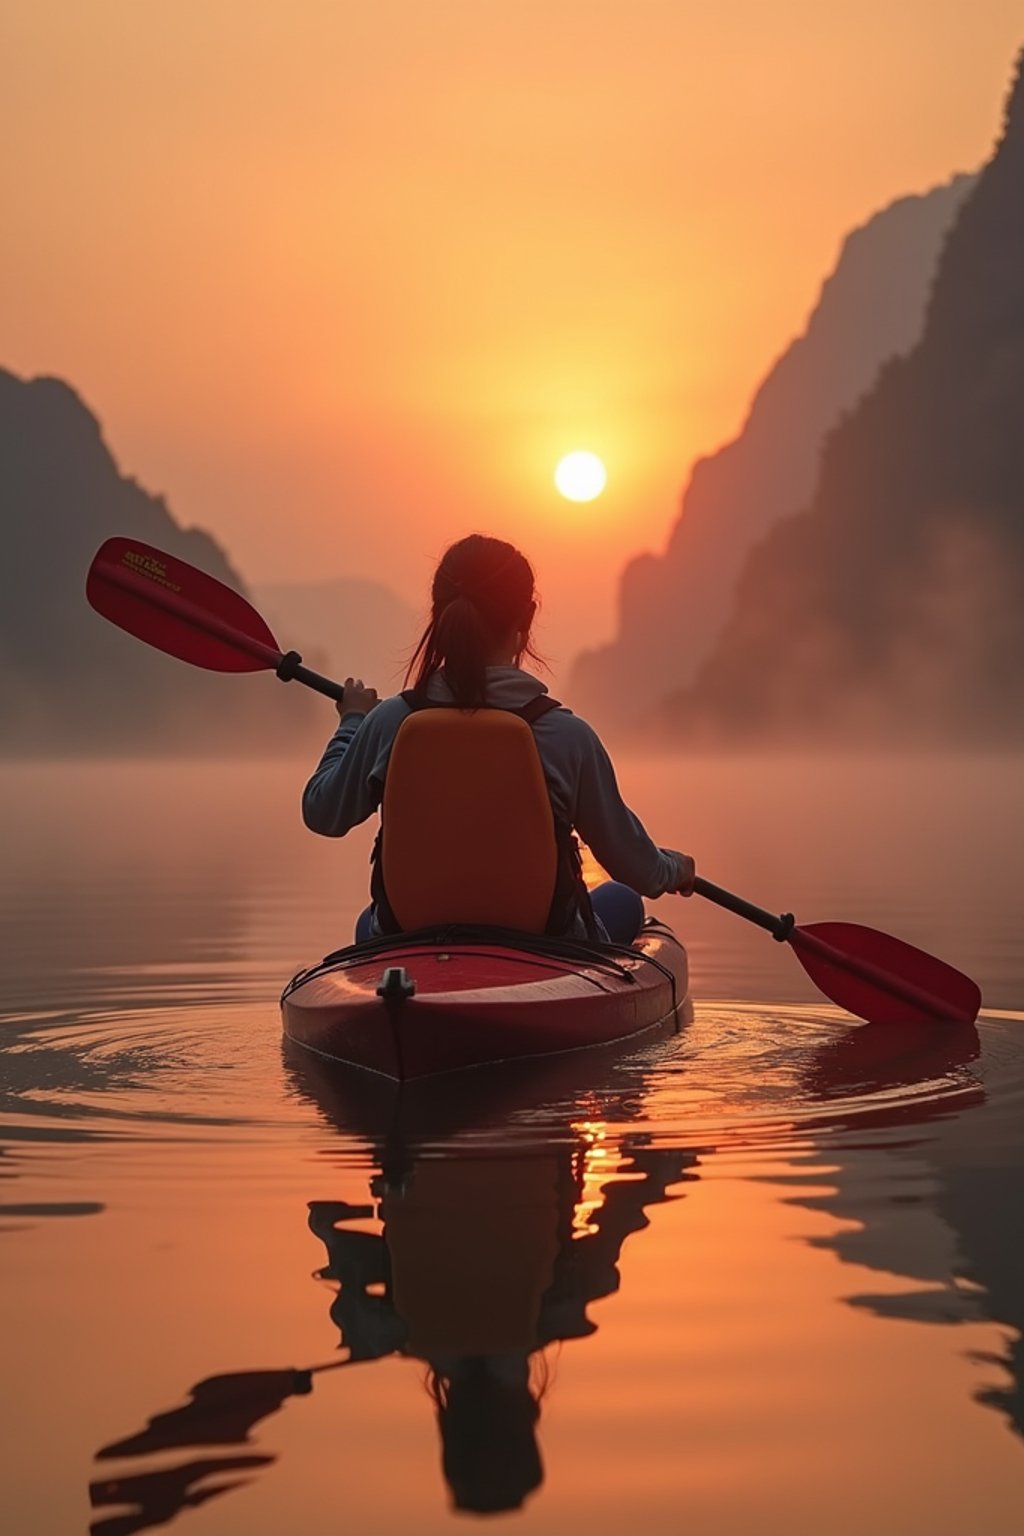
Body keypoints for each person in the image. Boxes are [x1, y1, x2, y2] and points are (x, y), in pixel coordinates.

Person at [301, 533, 695, 943]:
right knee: (623, 899)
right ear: (527, 616)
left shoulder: (389, 722)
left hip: (412, 940)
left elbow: (322, 812)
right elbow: (639, 871)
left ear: (438, 613)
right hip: (546, 945)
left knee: (369, 924)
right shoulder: (567, 736)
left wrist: (352, 722)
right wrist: (674, 869)